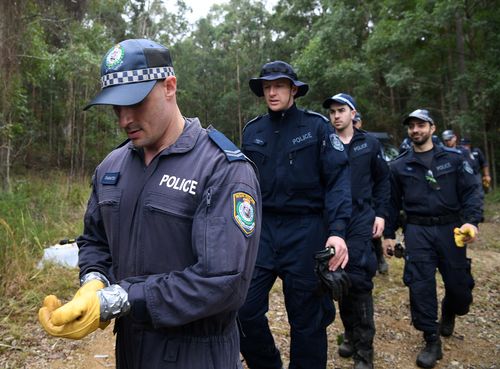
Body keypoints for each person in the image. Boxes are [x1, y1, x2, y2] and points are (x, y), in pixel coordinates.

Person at [38, 38, 262, 369]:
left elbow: (223, 281)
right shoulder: (112, 166)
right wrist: (94, 282)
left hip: (197, 353)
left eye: (136, 103)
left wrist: (121, 298)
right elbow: (94, 240)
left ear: (169, 86)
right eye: (116, 108)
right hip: (132, 348)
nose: (124, 119)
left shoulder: (221, 168)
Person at [238, 61, 352, 369]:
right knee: (242, 309)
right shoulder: (253, 130)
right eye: (266, 87)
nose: (272, 92)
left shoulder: (316, 127)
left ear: (293, 90)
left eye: (278, 86)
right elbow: (241, 186)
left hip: (306, 231)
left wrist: (337, 231)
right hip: (262, 231)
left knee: (307, 320)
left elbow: (338, 181)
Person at [382, 109, 483, 369]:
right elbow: (391, 204)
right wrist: (389, 235)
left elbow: (472, 190)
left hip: (451, 230)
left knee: (460, 290)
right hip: (417, 231)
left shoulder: (455, 158)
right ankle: (431, 338)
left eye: (420, 125)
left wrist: (471, 220)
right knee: (420, 286)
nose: (415, 130)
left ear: (432, 128)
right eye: (411, 126)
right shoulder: (399, 165)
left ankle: (451, 309)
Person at [323, 93, 390, 369]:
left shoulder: (370, 144)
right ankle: (349, 333)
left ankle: (365, 351)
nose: (336, 116)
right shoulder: (326, 144)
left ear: (353, 113)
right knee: (339, 279)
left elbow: (383, 180)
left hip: (362, 218)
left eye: (341, 110)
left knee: (360, 281)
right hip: (334, 221)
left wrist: (382, 214)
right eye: (332, 112)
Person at [353, 111, 390, 275]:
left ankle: (379, 259)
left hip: (371, 197)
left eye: (356, 122)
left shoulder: (369, 142)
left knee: (374, 233)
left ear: (359, 122)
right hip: (355, 199)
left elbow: (382, 175)